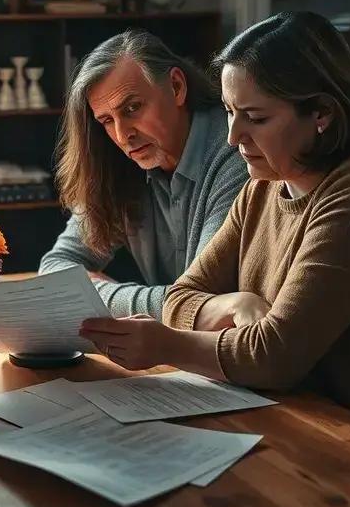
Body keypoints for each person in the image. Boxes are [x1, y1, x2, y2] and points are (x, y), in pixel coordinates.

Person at [78, 12, 350, 457]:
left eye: (255, 117)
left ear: (321, 113)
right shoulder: (264, 183)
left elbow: (272, 357)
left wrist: (166, 344)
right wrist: (224, 309)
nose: (233, 136)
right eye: (228, 111)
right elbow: (183, 295)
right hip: (299, 416)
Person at [40, 30, 247, 319]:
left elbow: (204, 301)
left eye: (132, 108)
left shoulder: (238, 152)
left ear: (176, 87)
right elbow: (55, 269)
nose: (123, 136)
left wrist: (95, 295)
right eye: (107, 121)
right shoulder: (118, 164)